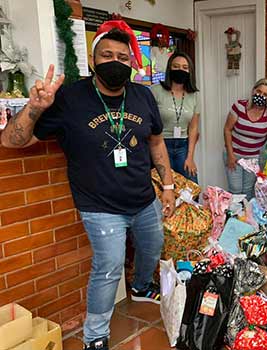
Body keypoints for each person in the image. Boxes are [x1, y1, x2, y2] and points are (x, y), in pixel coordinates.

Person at [1, 20, 176, 350]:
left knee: (152, 246)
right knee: (108, 268)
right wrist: (34, 108)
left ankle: (140, 286)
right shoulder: (70, 98)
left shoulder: (143, 96)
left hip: (144, 199)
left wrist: (166, 187)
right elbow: (13, 142)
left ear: (132, 63)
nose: (115, 62)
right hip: (100, 207)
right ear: (93, 62)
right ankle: (95, 335)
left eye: (123, 57)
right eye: (107, 55)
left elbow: (156, 142)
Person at [151, 52, 200, 182]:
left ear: (190, 71)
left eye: (185, 67)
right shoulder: (155, 91)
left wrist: (190, 157)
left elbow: (193, 127)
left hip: (183, 147)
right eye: (176, 66)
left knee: (192, 189)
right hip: (161, 145)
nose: (180, 70)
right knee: (164, 189)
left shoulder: (194, 95)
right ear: (169, 68)